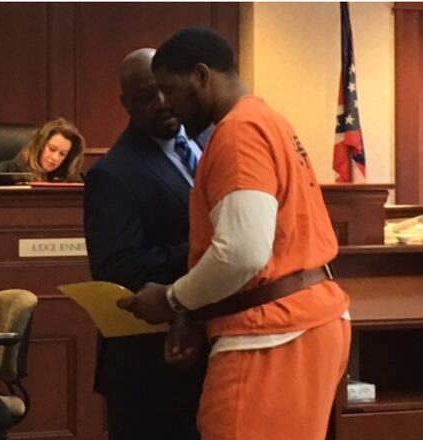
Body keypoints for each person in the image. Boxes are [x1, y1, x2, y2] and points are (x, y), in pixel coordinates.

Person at [118, 27, 351, 440]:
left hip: (270, 332)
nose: (166, 103)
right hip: (306, 320)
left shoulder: (239, 133)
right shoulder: (267, 120)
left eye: (170, 90)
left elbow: (243, 253)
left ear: (202, 76)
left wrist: (173, 300)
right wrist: (195, 312)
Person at [83, 48, 209, 440]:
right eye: (144, 97)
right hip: (148, 371)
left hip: (209, 354)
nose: (160, 104)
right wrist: (207, 251)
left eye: (164, 91)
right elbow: (118, 267)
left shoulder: (213, 140)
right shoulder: (112, 174)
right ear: (125, 104)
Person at [0, 117, 85, 182]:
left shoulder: (70, 179)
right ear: (40, 145)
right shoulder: (6, 172)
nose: (55, 158)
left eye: (62, 154)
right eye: (52, 149)